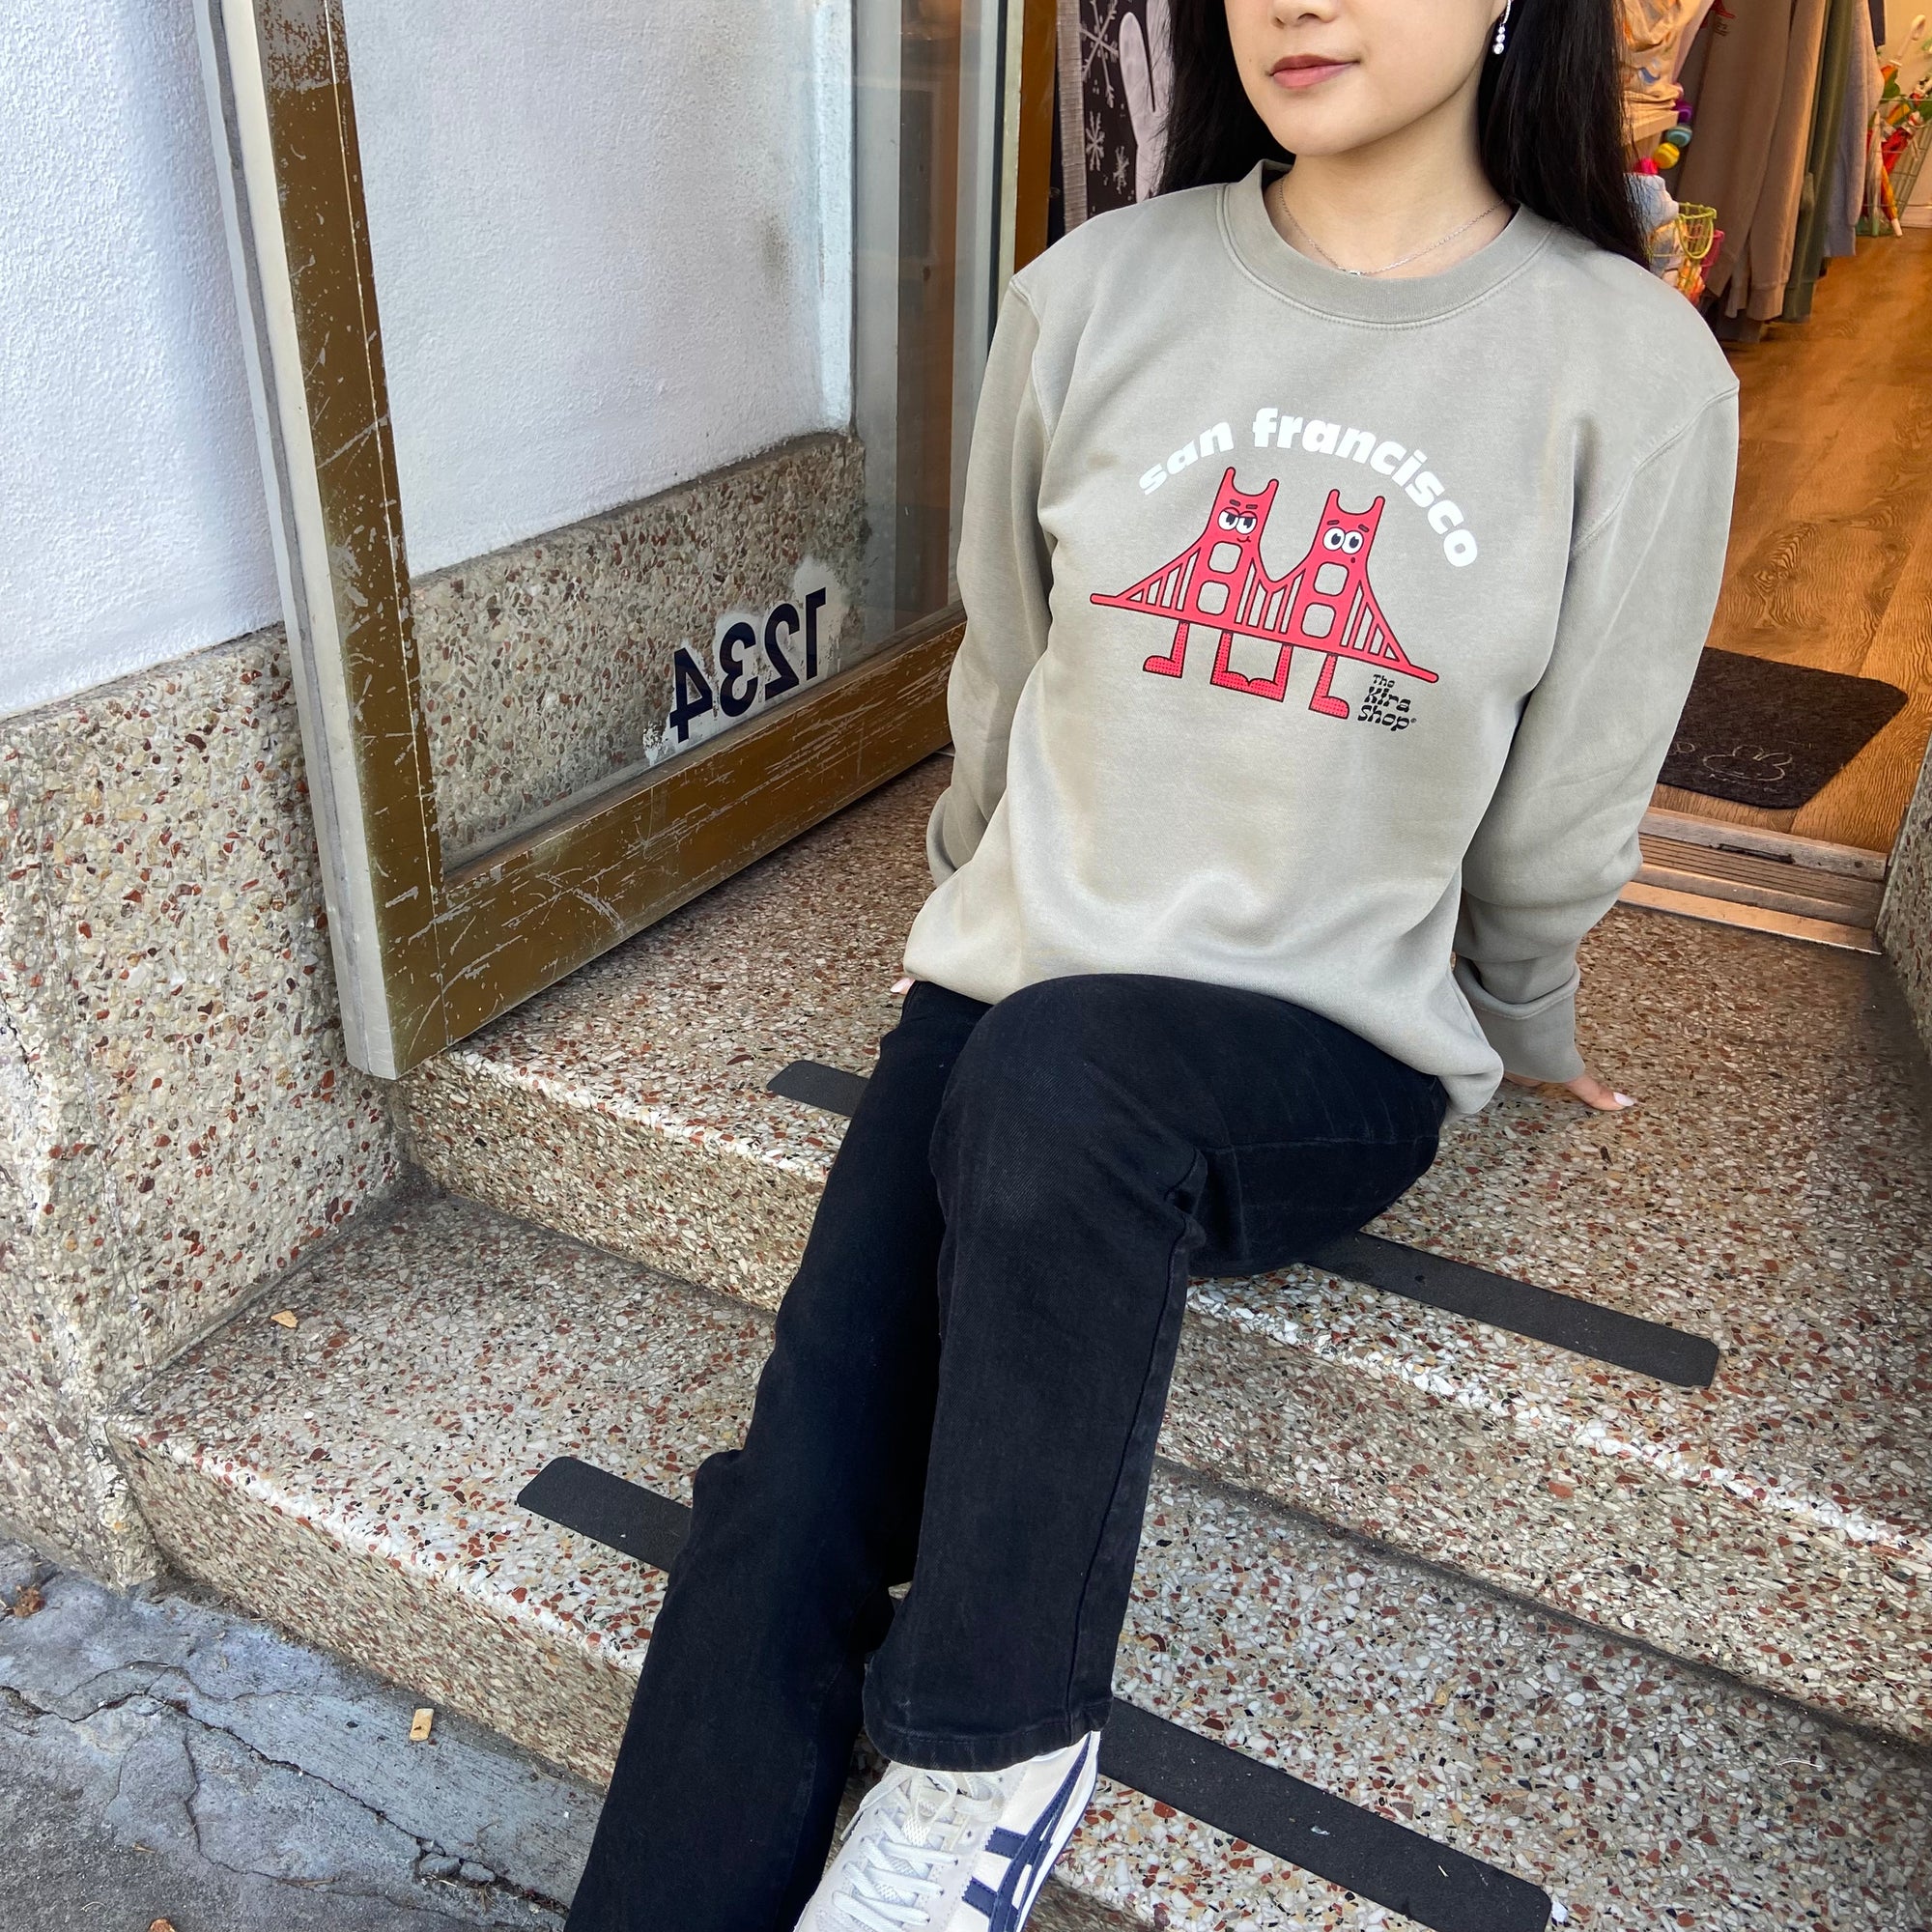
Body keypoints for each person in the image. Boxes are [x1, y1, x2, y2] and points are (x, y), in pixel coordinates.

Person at [564, 0, 1738, 1926]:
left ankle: (983, 1754)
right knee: (788, 1496)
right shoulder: (1089, 292)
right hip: (1023, 983)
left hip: (1310, 1050)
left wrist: (1520, 1018)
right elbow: (1008, 678)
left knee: (1064, 1082)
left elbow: (1563, 806)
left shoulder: (1633, 371)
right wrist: (967, 912)